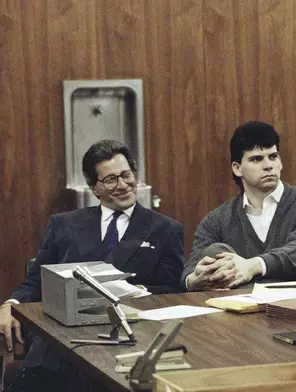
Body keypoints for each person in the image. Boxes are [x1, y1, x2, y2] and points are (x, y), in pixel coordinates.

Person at [1, 139, 185, 392]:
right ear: (94, 187)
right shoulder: (64, 225)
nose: (122, 185)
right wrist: (11, 305)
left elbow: (172, 290)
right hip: (64, 343)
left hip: (128, 339)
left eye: (126, 175)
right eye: (111, 180)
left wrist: (137, 292)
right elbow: (37, 280)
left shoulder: (166, 229)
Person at [182, 121, 296, 291]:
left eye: (273, 156)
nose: (268, 165)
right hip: (241, 312)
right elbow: (189, 272)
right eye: (256, 159)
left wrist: (251, 266)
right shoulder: (216, 221)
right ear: (238, 168)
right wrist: (196, 279)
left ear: (280, 162)